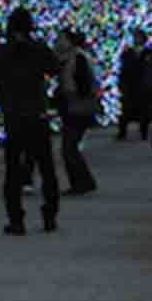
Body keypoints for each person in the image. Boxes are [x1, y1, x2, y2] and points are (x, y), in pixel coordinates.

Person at [0, 7, 60, 234]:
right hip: (37, 113)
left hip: (14, 115)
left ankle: (16, 219)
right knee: (46, 167)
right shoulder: (39, 49)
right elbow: (55, 68)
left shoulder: (1, 51)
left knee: (13, 170)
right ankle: (49, 215)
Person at [57, 29, 100, 195]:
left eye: (61, 39)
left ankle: (82, 183)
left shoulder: (76, 58)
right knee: (70, 147)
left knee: (69, 148)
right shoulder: (75, 57)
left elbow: (83, 85)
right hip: (75, 107)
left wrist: (68, 94)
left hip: (77, 108)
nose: (58, 42)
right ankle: (83, 182)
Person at [114, 29, 147, 140]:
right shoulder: (127, 53)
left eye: (139, 38)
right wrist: (121, 84)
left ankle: (144, 132)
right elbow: (123, 69)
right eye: (135, 38)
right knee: (126, 110)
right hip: (129, 86)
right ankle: (122, 132)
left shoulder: (148, 53)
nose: (136, 40)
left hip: (143, 86)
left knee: (143, 110)